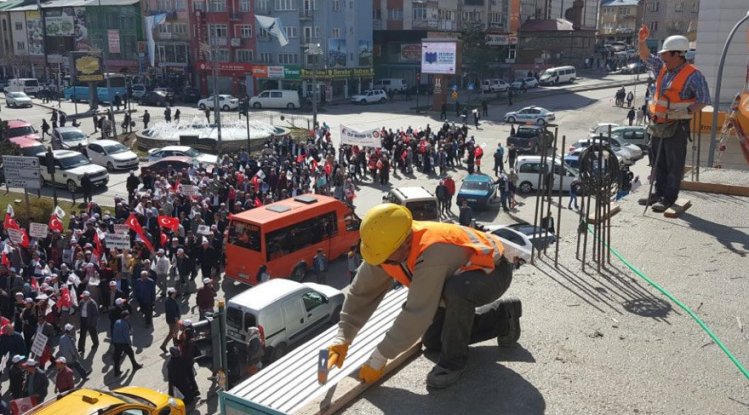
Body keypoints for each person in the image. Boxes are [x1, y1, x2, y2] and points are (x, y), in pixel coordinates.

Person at [325, 204, 522, 389]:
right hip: (456, 275)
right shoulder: (386, 247)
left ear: (405, 242)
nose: (382, 263)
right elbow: (361, 292)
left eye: (385, 258)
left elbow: (417, 312)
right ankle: (503, 318)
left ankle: (453, 363)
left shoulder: (432, 251)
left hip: (493, 272)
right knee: (433, 340)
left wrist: (379, 357)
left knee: (457, 291)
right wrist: (342, 338)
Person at [637, 24, 710, 212]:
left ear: (678, 54)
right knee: (657, 160)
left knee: (673, 163)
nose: (662, 57)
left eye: (666, 54)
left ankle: (669, 197)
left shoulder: (694, 76)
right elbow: (645, 56)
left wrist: (685, 112)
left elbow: (703, 100)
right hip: (658, 124)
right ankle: (658, 192)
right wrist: (642, 41)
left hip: (677, 126)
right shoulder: (663, 68)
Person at [111, 311, 143, 376]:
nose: (129, 317)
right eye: (128, 316)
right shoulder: (125, 324)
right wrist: (129, 343)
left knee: (117, 357)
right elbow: (126, 335)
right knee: (131, 353)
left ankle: (116, 371)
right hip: (123, 343)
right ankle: (135, 365)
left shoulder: (117, 321)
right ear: (125, 317)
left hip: (116, 342)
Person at [160, 287, 181, 353]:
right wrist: (177, 321)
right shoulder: (171, 302)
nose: (175, 293)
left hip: (170, 320)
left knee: (173, 333)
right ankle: (172, 346)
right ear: (172, 294)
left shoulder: (169, 300)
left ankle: (173, 346)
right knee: (173, 333)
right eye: (174, 292)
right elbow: (173, 313)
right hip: (173, 321)